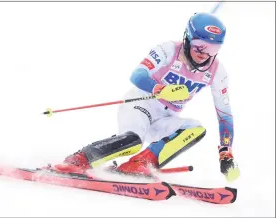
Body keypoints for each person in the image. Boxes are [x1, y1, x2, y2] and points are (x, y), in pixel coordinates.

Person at [52, 12, 240, 182]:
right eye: (200, 47)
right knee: (134, 141)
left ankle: (139, 164)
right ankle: (81, 159)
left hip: (166, 118)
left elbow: (225, 115)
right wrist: (158, 88)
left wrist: (226, 153)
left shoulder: (217, 72)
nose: (204, 55)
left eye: (213, 49)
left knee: (196, 129)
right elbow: (137, 75)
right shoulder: (168, 50)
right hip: (141, 105)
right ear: (188, 39)